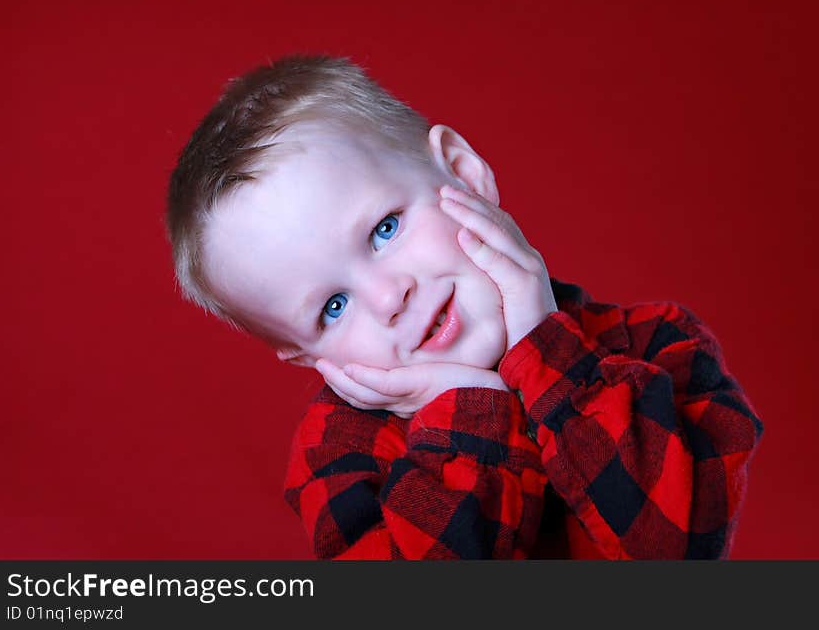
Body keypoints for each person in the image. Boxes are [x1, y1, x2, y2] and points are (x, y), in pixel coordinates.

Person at [166, 53, 763, 559]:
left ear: (463, 173)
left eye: (384, 229)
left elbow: (676, 547)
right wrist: (467, 414)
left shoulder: (657, 345)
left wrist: (545, 350)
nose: (388, 298)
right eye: (334, 306)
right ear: (305, 357)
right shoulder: (339, 453)